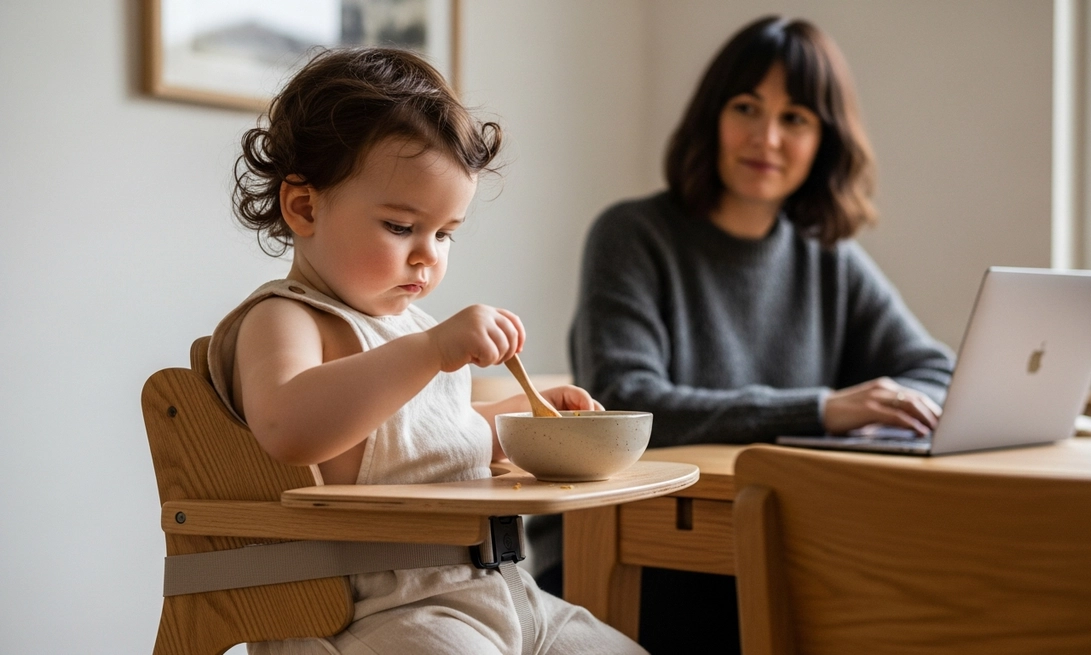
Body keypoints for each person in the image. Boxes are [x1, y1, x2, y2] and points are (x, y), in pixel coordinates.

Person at [207, 47, 645, 655]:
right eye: (400, 227)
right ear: (303, 206)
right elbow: (289, 428)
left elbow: (426, 438)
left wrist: (524, 422)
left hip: (501, 590)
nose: (428, 255)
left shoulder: (410, 328)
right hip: (375, 610)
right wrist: (432, 349)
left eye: (445, 234)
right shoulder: (285, 318)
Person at [541, 16, 956, 653]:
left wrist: (874, 411)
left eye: (795, 119)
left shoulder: (829, 259)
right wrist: (822, 409)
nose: (767, 137)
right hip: (648, 557)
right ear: (712, 117)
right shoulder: (633, 235)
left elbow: (935, 370)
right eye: (746, 108)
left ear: (825, 141)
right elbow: (624, 403)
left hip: (789, 542)